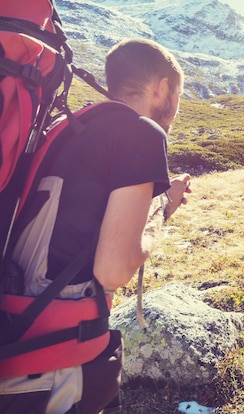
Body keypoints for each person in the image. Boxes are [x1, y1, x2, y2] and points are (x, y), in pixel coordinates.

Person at [0, 38, 192, 413]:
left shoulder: (70, 126)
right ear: (163, 88)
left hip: (14, 333)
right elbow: (113, 269)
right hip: (50, 360)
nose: (176, 107)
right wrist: (162, 210)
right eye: (178, 93)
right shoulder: (142, 133)